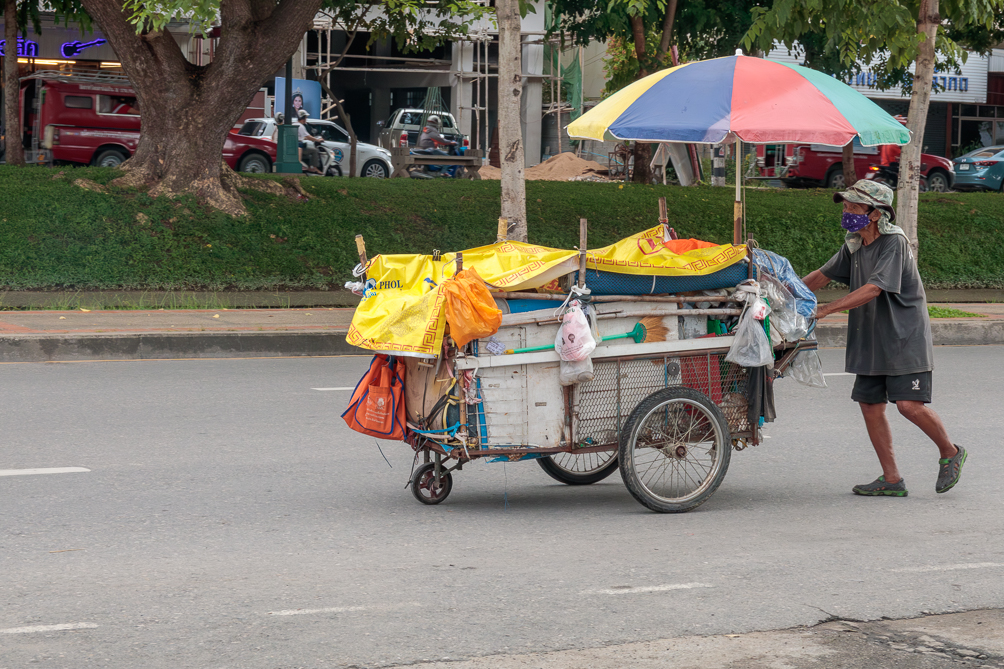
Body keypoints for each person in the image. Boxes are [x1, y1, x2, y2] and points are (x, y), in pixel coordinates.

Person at [802, 180, 966, 497]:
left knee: (909, 406)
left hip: (904, 337)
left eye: (853, 206)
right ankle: (891, 480)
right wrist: (784, 294)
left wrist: (826, 310)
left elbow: (874, 288)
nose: (846, 211)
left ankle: (950, 451)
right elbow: (821, 276)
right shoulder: (854, 246)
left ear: (875, 214)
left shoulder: (894, 243)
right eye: (846, 205)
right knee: (870, 405)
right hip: (871, 340)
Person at [295, 109, 324, 175]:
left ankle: (308, 166)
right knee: (315, 151)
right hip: (299, 147)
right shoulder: (301, 126)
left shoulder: (295, 124)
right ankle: (314, 168)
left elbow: (301, 136)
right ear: (303, 118)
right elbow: (308, 136)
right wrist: (317, 140)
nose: (306, 119)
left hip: (295, 146)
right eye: (305, 117)